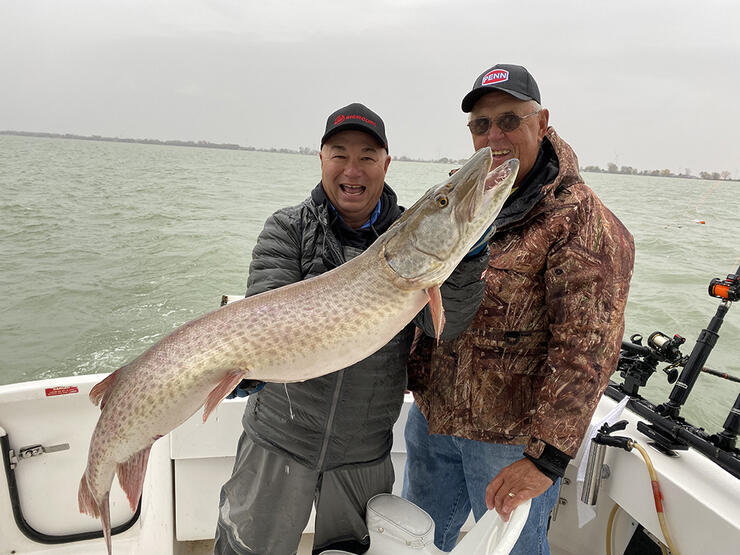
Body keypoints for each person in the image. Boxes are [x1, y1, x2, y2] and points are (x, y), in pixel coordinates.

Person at [214, 103, 489, 555]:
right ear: (321, 159)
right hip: (279, 440)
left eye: (366, 155)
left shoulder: (411, 239)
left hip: (363, 452)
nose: (352, 169)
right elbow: (266, 313)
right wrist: (252, 366)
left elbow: (448, 326)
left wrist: (465, 260)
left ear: (386, 163)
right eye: (339, 154)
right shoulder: (287, 229)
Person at [402, 64, 635, 554]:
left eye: (509, 120)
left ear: (542, 121)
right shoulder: (468, 197)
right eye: (481, 125)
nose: (495, 136)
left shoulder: (581, 220)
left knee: (514, 550)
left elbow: (587, 350)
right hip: (433, 420)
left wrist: (545, 459)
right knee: (416, 543)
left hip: (510, 442)